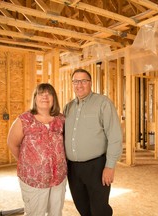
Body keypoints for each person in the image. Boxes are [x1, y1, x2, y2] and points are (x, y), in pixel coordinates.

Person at [64, 68, 123, 216]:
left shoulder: (103, 103)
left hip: (96, 166)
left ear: (90, 83)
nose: (80, 85)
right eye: (76, 81)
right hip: (73, 168)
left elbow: (115, 136)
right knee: (82, 207)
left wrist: (110, 166)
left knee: (99, 209)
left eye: (84, 81)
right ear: (72, 84)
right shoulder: (68, 107)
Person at [7, 83, 67, 216]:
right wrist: (28, 163)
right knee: (35, 213)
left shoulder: (61, 119)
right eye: (41, 93)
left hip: (58, 178)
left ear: (54, 98)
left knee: (56, 212)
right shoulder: (24, 120)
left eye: (49, 93)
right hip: (33, 179)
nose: (45, 96)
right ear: (35, 98)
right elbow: (12, 144)